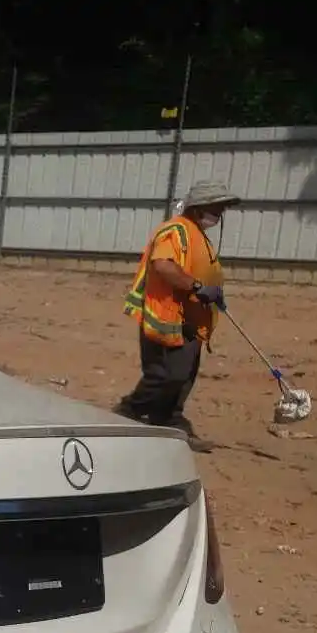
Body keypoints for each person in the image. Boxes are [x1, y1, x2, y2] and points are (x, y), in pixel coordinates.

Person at [115, 179, 240, 440]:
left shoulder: (197, 234)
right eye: (216, 208)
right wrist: (198, 287)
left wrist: (212, 292)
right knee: (164, 375)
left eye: (222, 209)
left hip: (192, 319)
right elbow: (163, 265)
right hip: (167, 317)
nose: (220, 214)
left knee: (184, 377)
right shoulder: (175, 230)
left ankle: (170, 419)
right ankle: (129, 412)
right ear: (198, 207)